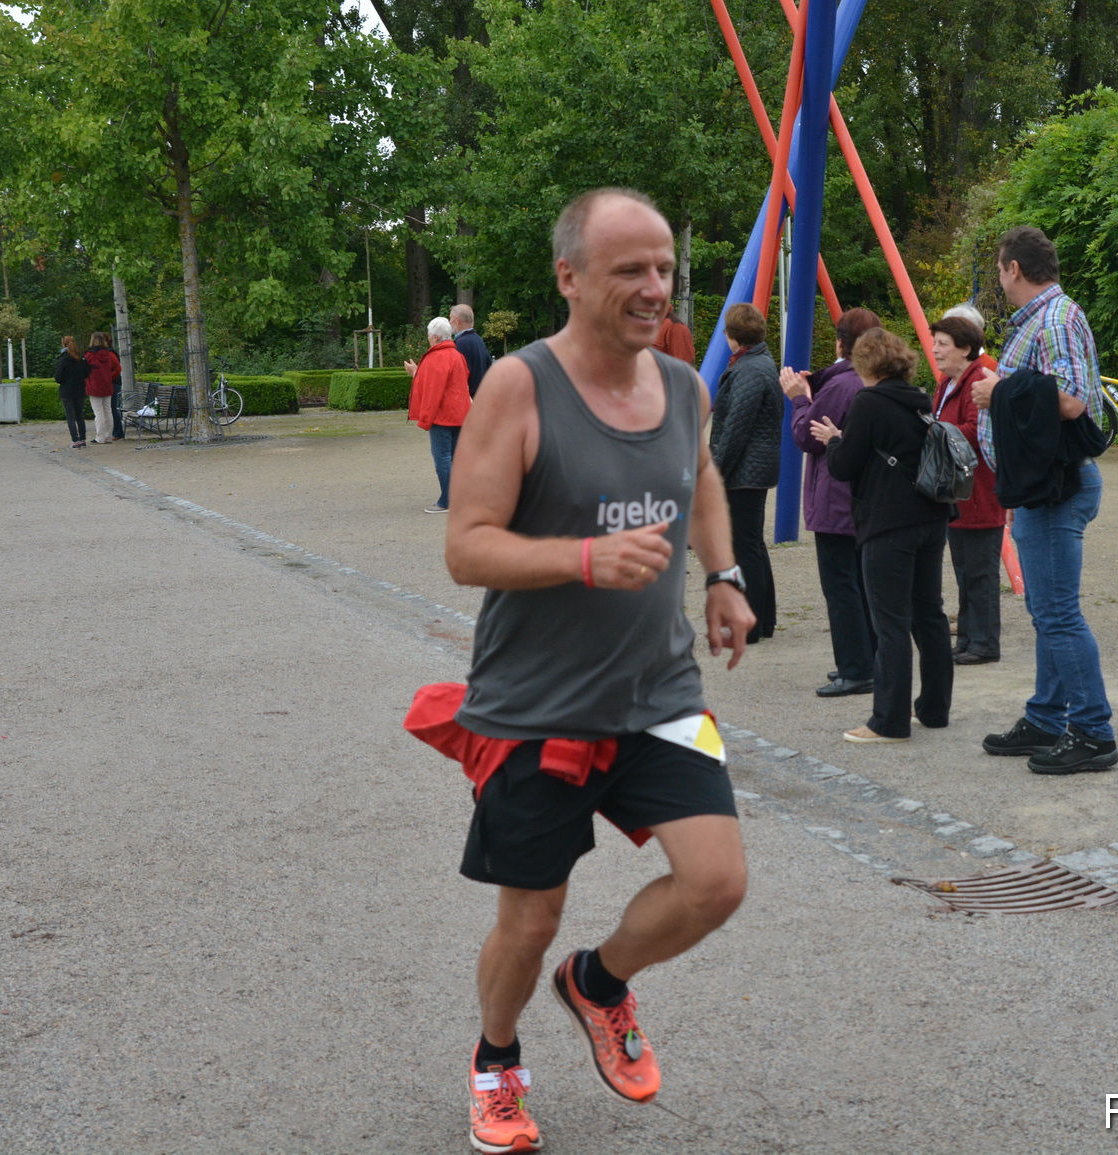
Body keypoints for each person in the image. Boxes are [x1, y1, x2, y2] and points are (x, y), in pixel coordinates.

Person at [441, 187, 755, 1155]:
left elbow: (698, 475)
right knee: (528, 921)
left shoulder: (686, 386)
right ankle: (497, 1060)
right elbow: (467, 547)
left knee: (716, 883)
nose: (654, 287)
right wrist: (582, 557)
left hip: (657, 694)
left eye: (662, 267)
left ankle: (601, 983)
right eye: (630, 269)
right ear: (569, 278)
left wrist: (725, 576)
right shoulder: (520, 388)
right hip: (536, 707)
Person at [972, 225, 1117, 774]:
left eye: (1000, 268)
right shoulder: (1042, 319)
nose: (999, 279)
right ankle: (1046, 719)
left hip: (1058, 490)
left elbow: (1075, 400)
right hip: (1043, 488)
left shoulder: (1055, 318)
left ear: (1014, 268)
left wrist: (998, 390)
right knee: (1046, 613)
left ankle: (1094, 733)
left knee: (1057, 614)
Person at [812, 328, 953, 743]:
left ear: (865, 363)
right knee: (929, 614)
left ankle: (888, 721)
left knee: (890, 620)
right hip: (930, 515)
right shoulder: (919, 397)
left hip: (888, 521)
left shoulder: (868, 402)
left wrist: (835, 440)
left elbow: (844, 466)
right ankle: (934, 708)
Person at [779, 307, 881, 697]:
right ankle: (865, 660)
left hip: (836, 499)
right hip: (860, 498)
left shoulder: (841, 386)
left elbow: (807, 436)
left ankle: (855, 667)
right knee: (860, 583)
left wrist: (799, 401)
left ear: (841, 342)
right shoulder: (865, 381)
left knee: (841, 588)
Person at [930, 315, 1002, 665]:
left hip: (981, 490)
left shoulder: (982, 378)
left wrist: (935, 432)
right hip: (956, 492)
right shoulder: (947, 381)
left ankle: (985, 643)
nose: (935, 350)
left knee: (980, 572)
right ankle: (968, 639)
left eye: (943, 344)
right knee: (963, 569)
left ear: (966, 348)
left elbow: (976, 432)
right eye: (935, 343)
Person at [710, 303, 781, 642]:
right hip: (753, 466)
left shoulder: (750, 369)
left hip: (745, 470)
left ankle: (751, 624)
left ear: (735, 336)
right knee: (752, 545)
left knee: (745, 546)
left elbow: (735, 427)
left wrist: (715, 471)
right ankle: (764, 620)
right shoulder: (757, 363)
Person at [407, 315, 472, 514]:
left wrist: (425, 419)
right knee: (453, 457)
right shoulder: (456, 355)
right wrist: (417, 372)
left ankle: (446, 501)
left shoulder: (437, 356)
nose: (427, 337)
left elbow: (433, 390)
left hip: (442, 416)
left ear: (435, 337)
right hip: (459, 414)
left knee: (442, 458)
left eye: (428, 334)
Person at [82, 333, 120, 444]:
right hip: (107, 385)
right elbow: (117, 368)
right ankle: (108, 436)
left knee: (98, 412)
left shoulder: (89, 355)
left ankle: (100, 437)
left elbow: (84, 371)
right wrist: (108, 377)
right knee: (108, 411)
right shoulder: (108, 354)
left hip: (94, 386)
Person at [54, 336, 90, 448]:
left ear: (63, 345)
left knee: (70, 417)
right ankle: (83, 439)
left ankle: (75, 440)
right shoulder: (81, 359)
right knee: (79, 415)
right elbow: (87, 373)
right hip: (80, 390)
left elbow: (58, 378)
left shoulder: (63, 359)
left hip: (67, 391)